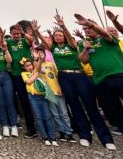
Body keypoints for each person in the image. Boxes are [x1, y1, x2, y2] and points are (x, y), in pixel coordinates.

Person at [36, 13, 114, 148]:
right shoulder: (53, 48)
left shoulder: (73, 45)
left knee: (91, 106)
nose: (58, 37)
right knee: (75, 107)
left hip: (79, 76)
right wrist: (37, 31)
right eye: (56, 36)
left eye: (60, 35)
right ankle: (85, 136)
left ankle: (106, 138)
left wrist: (63, 26)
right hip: (64, 77)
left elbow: (71, 40)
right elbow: (44, 42)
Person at [76, 14, 122, 150]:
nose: (87, 30)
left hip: (119, 75)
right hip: (101, 80)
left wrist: (90, 24)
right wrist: (85, 48)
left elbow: (104, 33)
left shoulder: (106, 37)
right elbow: (83, 60)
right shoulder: (84, 43)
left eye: (88, 27)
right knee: (115, 111)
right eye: (85, 29)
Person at [31, 20, 74, 143]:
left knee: (64, 113)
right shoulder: (38, 65)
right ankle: (61, 131)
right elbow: (36, 71)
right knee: (55, 114)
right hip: (48, 92)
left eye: (42, 52)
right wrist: (37, 58)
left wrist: (60, 86)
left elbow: (57, 75)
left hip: (57, 89)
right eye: (38, 53)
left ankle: (69, 132)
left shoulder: (51, 63)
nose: (41, 54)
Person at [0, 24, 37, 138]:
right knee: (24, 101)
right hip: (17, 75)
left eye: (18, 33)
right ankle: (31, 128)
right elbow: (2, 44)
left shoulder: (24, 40)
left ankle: (42, 125)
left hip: (30, 73)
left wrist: (24, 33)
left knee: (35, 98)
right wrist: (1, 36)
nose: (16, 35)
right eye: (14, 33)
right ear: (10, 34)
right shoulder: (9, 42)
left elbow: (32, 40)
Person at [20, 57, 57, 146]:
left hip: (42, 96)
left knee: (47, 117)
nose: (29, 67)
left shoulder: (36, 70)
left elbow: (39, 66)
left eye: (30, 65)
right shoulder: (24, 73)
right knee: (39, 117)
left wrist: (39, 59)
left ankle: (52, 137)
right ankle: (44, 137)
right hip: (33, 97)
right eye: (27, 66)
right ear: (24, 67)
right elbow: (28, 81)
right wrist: (35, 75)